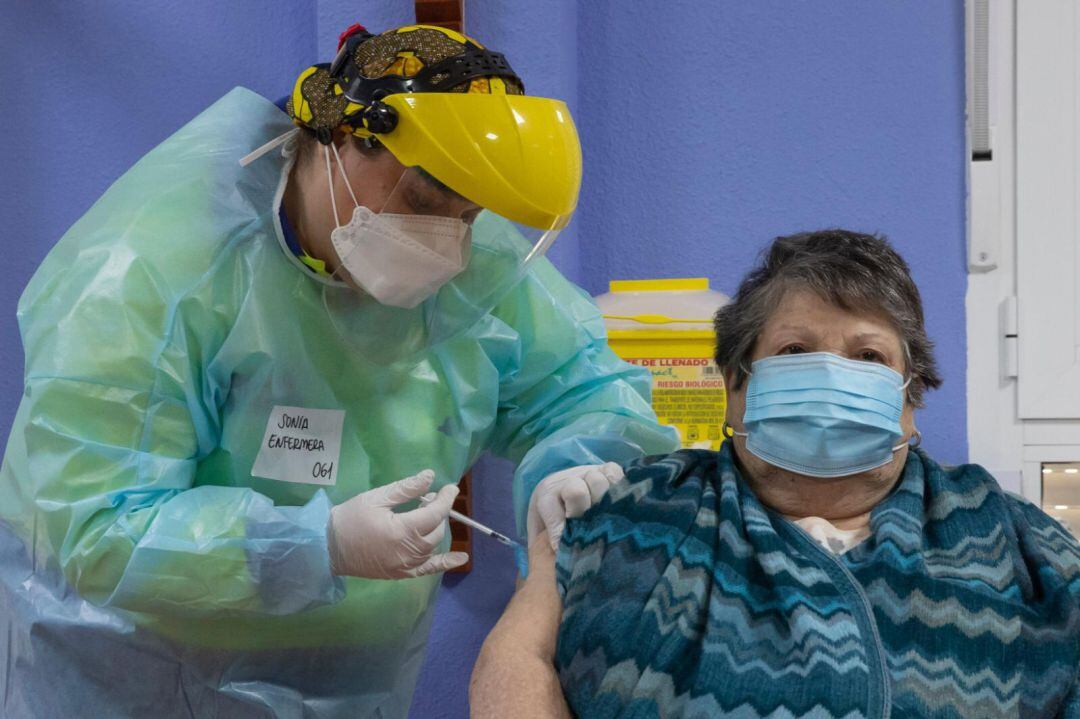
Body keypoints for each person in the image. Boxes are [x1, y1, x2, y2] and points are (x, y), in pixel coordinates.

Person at [0, 23, 678, 719]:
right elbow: (90, 528)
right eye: (422, 199)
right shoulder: (157, 271)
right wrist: (313, 544)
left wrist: (580, 465)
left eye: (469, 215)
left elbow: (589, 389)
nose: (445, 240)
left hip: (354, 688)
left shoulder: (476, 271)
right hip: (130, 684)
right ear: (336, 136)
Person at [471, 230, 1080, 719]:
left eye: (868, 356)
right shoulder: (641, 507)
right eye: (794, 351)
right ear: (736, 387)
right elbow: (516, 660)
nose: (830, 374)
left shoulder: (1006, 536)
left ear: (910, 398)